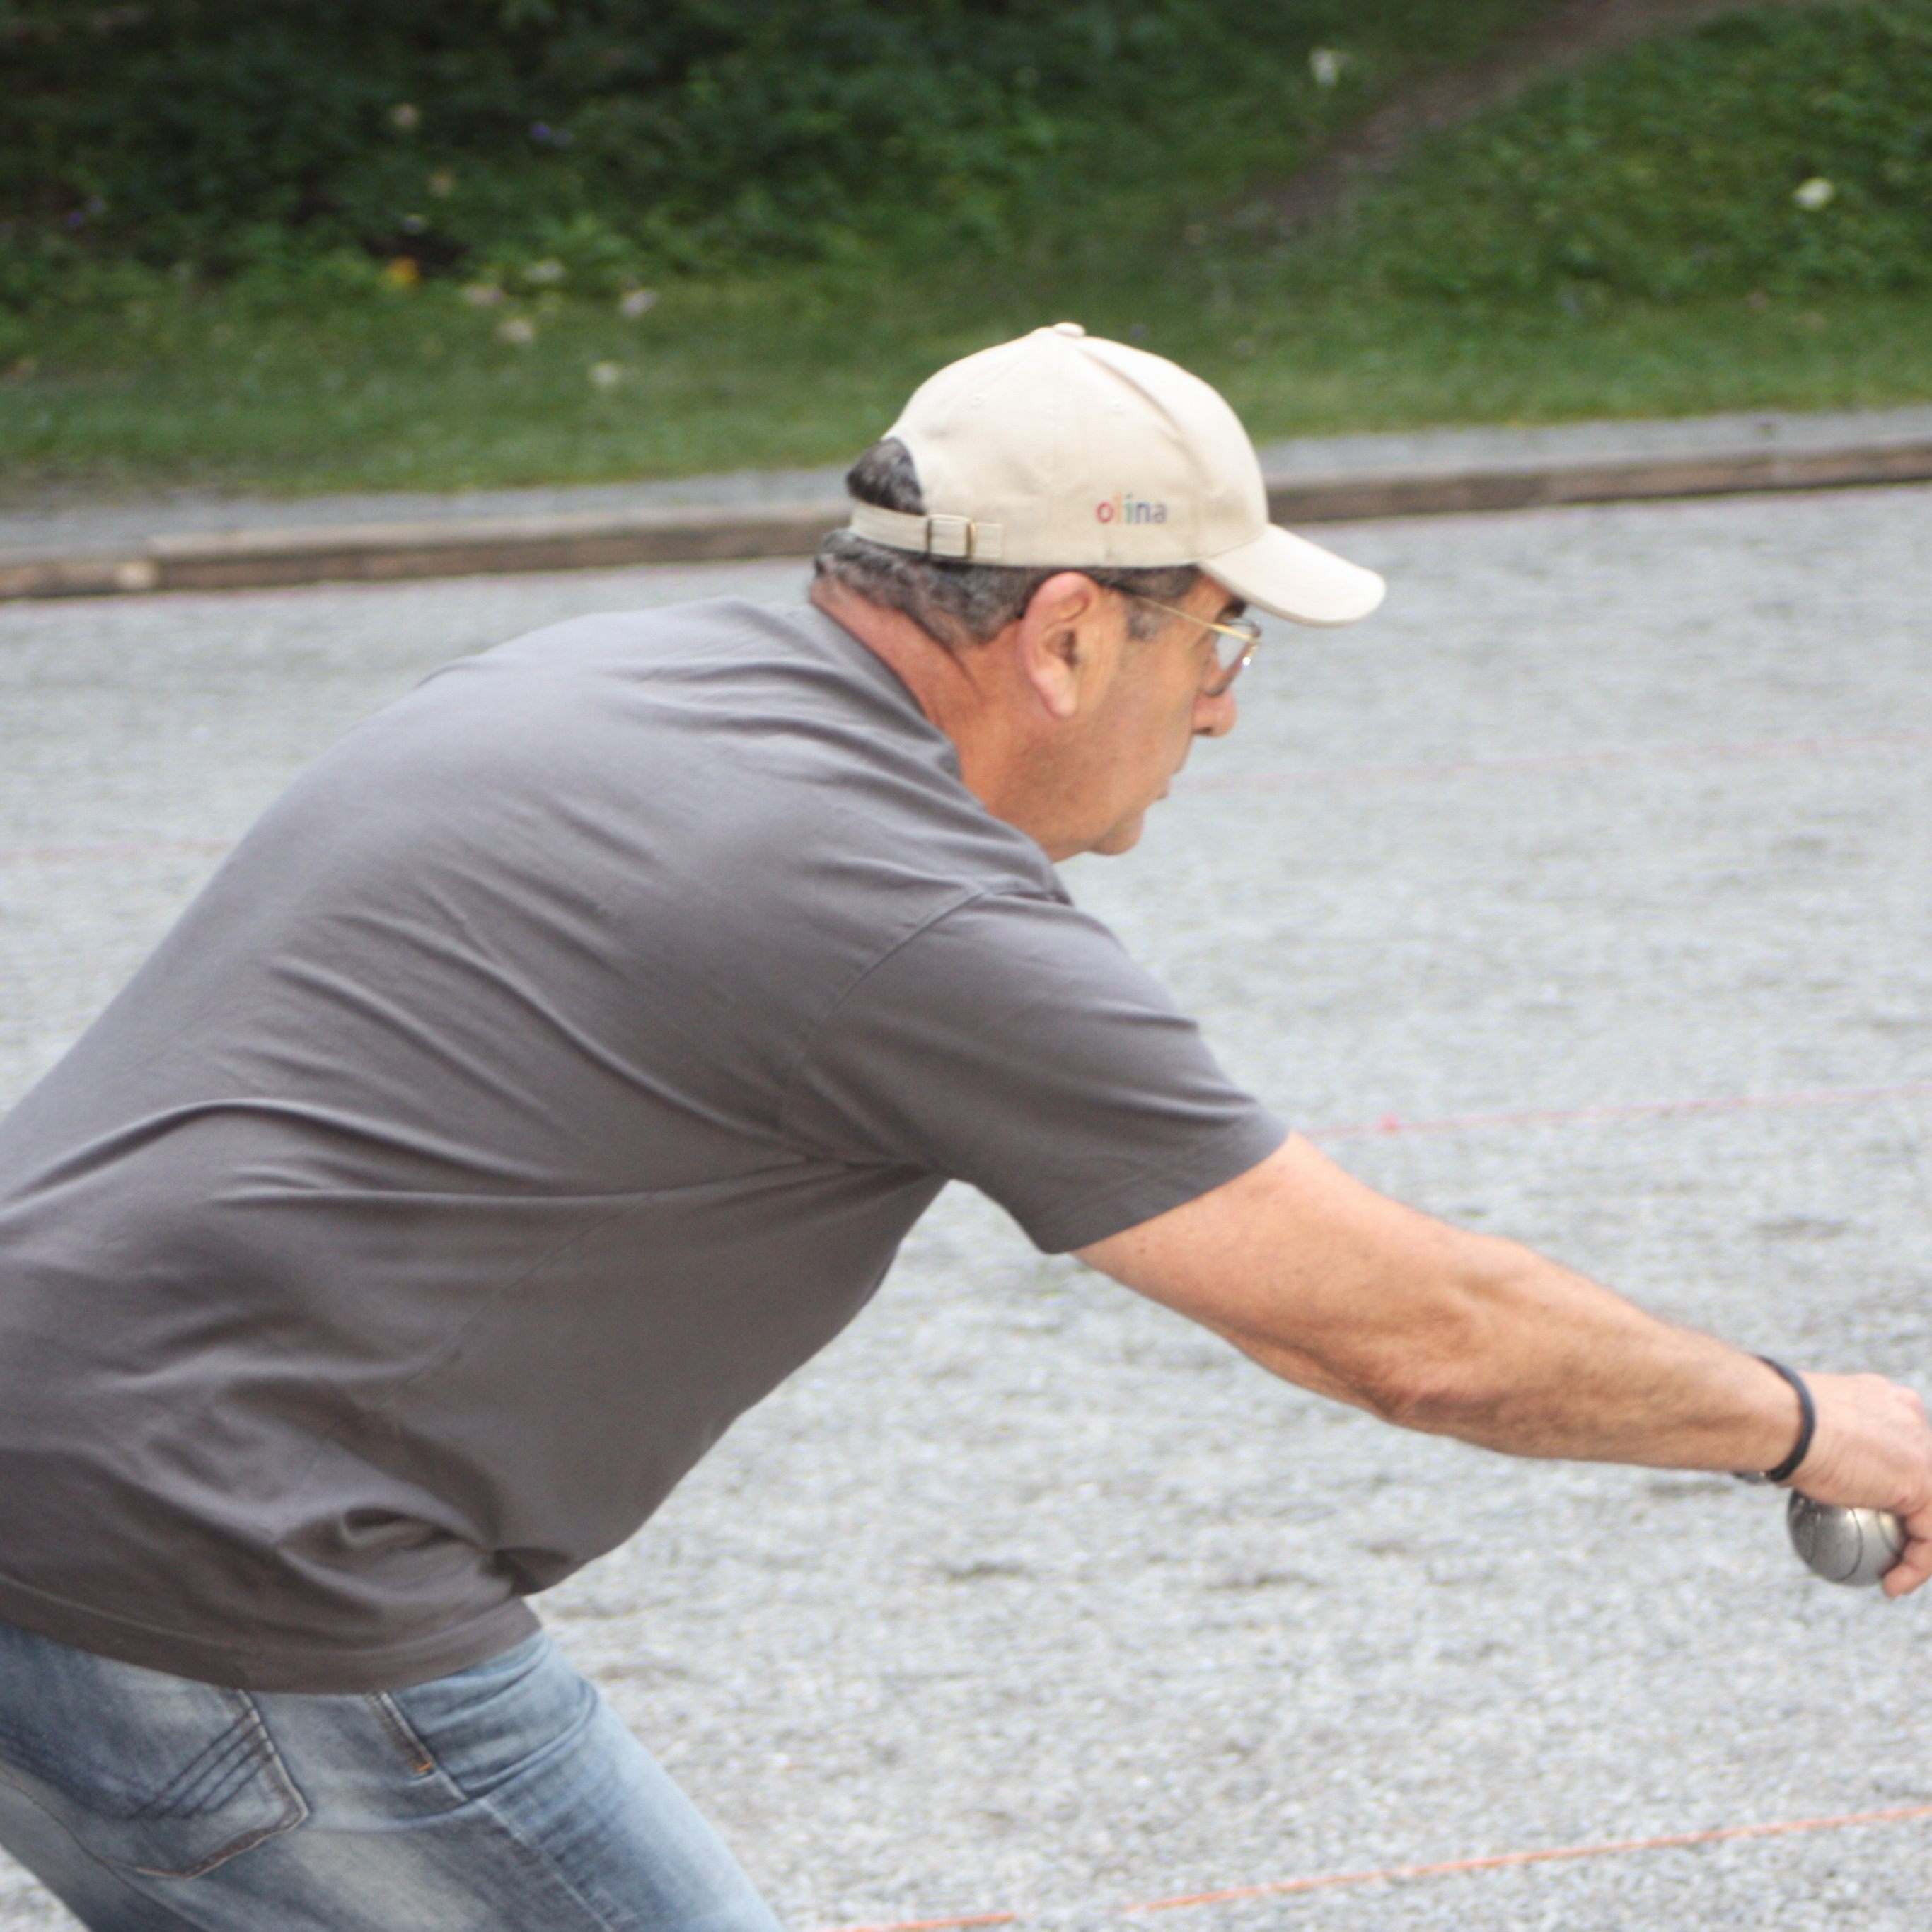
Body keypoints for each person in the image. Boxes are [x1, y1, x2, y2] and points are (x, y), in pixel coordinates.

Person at [0, 322, 1926, 1932]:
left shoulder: (595, 674)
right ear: (1071, 632)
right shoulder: (890, 897)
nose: (1225, 712)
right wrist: (1805, 1417)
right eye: (1218, 645)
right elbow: (1404, 1327)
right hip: (230, 1580)